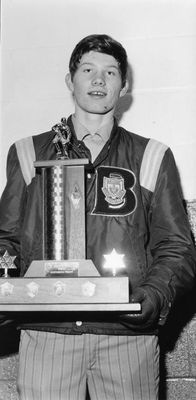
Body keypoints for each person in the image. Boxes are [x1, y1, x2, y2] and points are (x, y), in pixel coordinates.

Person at [0, 34, 195, 400]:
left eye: (111, 72)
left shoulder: (152, 156)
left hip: (127, 338)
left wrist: (152, 296)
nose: (98, 80)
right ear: (69, 80)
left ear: (126, 86)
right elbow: (6, 239)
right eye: (88, 69)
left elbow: (177, 248)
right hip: (48, 333)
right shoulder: (27, 152)